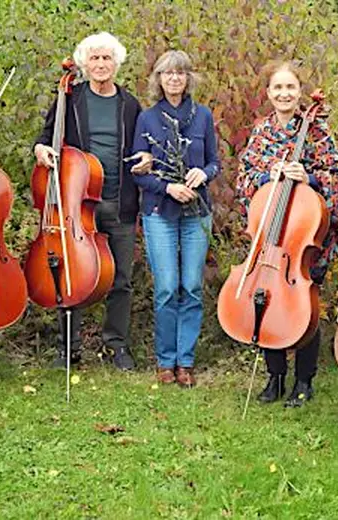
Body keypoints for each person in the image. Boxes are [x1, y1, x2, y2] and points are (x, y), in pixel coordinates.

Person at [235, 60, 338, 407]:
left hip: (304, 235)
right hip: (271, 236)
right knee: (266, 301)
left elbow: (336, 178)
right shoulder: (261, 132)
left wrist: (308, 178)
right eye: (278, 88)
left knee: (304, 306)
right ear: (269, 93)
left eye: (290, 87)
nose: (284, 94)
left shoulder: (317, 131)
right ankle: (275, 376)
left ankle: (304, 380)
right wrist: (267, 177)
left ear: (300, 92)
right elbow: (243, 179)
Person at [33, 32, 144, 371]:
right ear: (84, 64)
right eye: (94, 58)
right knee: (73, 274)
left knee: (121, 279)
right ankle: (69, 347)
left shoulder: (129, 104)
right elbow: (45, 137)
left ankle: (117, 346)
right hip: (75, 205)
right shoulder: (70, 98)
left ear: (116, 63)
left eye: (106, 58)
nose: (100, 64)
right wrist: (41, 149)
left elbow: (141, 147)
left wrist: (147, 159)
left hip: (119, 201)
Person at [131, 50, 220, 388]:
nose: (174, 78)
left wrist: (204, 173)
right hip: (160, 212)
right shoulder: (148, 119)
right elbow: (138, 171)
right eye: (167, 73)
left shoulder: (203, 116)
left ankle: (186, 361)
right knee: (167, 287)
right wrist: (167, 187)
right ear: (159, 79)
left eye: (180, 73)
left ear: (188, 78)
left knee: (192, 287)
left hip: (196, 212)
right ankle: (165, 360)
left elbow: (214, 163)